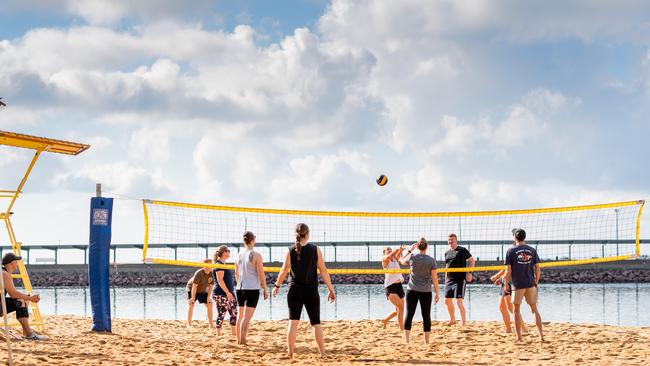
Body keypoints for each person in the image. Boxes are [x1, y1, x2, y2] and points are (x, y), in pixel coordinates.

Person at [272, 223, 336, 358]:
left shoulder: (290, 250)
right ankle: (323, 354)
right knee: (316, 323)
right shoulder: (315, 249)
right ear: (307, 234)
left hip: (294, 290)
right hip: (311, 290)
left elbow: (283, 270)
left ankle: (290, 353)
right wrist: (331, 289)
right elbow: (323, 271)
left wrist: (277, 286)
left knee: (293, 322)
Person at [503, 228, 544, 342]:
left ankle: (519, 337)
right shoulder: (532, 250)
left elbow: (508, 271)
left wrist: (505, 283)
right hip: (531, 283)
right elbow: (538, 268)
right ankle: (541, 335)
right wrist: (537, 281)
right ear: (524, 237)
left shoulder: (510, 251)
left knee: (516, 311)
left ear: (514, 238)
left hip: (517, 285)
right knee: (534, 309)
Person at [399, 238, 439, 344]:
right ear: (427, 246)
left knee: (409, 314)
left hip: (412, 289)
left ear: (417, 246)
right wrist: (437, 292)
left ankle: (407, 340)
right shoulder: (431, 260)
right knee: (426, 315)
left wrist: (410, 250)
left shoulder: (412, 257)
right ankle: (426, 341)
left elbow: (401, 261)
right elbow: (434, 278)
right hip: (426, 291)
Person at [1, 252, 48, 340]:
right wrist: (30, 297)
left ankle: (26, 332)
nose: (18, 263)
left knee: (23, 300)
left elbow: (13, 293)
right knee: (21, 301)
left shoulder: (3, 272)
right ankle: (29, 334)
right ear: (12, 263)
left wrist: (27, 297)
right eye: (16, 261)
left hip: (1, 303)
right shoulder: (5, 274)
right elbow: (13, 294)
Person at [234, 231, 268, 345]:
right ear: (254, 240)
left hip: (240, 288)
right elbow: (261, 274)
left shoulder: (238, 255)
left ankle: (238, 340)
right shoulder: (256, 255)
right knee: (246, 318)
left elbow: (236, 274)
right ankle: (243, 341)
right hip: (252, 289)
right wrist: (265, 288)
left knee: (240, 316)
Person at [443, 233, 475, 326]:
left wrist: (470, 273)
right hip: (449, 279)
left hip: (460, 279)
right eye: (449, 240)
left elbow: (472, 260)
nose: (450, 241)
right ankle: (452, 320)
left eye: (452, 239)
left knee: (459, 301)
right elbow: (447, 266)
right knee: (447, 301)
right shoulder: (447, 253)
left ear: (456, 240)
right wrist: (445, 280)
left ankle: (463, 324)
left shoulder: (462, 250)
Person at [490, 265, 528, 334]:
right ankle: (508, 329)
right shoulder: (509, 255)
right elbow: (507, 268)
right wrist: (500, 279)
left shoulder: (512, 254)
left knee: (511, 308)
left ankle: (524, 329)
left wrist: (496, 276)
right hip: (505, 281)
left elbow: (509, 268)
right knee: (502, 307)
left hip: (510, 283)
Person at [212, 246, 237, 336]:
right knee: (233, 312)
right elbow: (220, 280)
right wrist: (228, 292)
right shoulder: (219, 264)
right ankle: (233, 333)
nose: (229, 252)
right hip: (223, 293)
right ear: (223, 253)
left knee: (221, 313)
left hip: (219, 293)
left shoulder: (221, 263)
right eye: (227, 251)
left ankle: (218, 333)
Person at [381, 244, 406, 329]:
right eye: (387, 249)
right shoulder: (385, 259)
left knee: (398, 310)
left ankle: (385, 320)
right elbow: (389, 256)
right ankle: (402, 328)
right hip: (390, 286)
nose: (389, 250)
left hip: (399, 285)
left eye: (390, 249)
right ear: (384, 253)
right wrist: (396, 250)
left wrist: (401, 250)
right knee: (401, 308)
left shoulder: (395, 258)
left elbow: (397, 255)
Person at [186, 258, 215, 329]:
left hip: (202, 290)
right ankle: (189, 324)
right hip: (191, 288)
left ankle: (211, 324)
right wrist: (192, 298)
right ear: (204, 265)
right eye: (209, 264)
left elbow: (211, 286)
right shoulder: (199, 273)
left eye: (211, 264)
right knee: (191, 304)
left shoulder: (212, 273)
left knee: (210, 303)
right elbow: (194, 286)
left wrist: (208, 297)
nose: (211, 266)